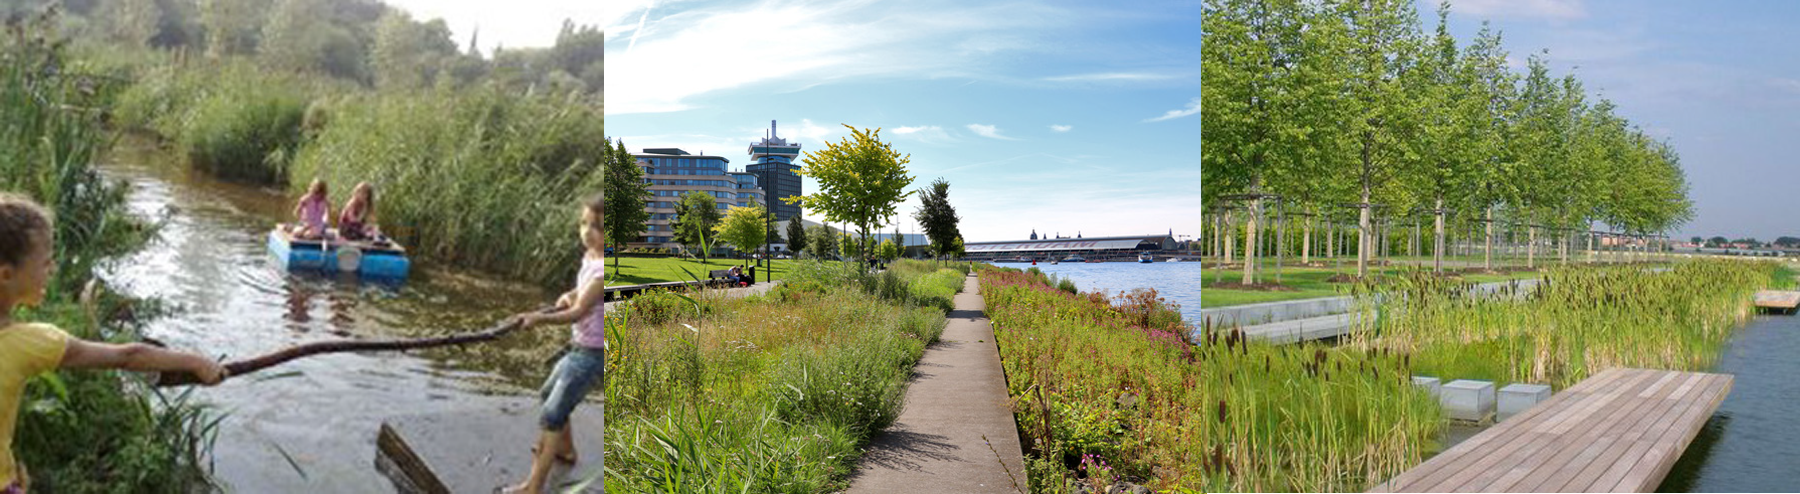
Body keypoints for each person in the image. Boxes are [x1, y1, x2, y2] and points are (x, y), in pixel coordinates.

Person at [0, 194, 225, 493]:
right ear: (6, 274)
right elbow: (129, 355)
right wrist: (198, 363)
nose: (52, 270)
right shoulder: (30, 342)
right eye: (45, 262)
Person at [503, 194, 607, 494]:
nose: (588, 231)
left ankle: (532, 487)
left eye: (598, 227)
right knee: (549, 392)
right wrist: (571, 293)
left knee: (551, 415)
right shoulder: (591, 258)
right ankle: (566, 451)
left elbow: (578, 312)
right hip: (580, 347)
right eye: (584, 223)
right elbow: (583, 295)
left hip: (593, 355)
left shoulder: (606, 271)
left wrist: (539, 318)